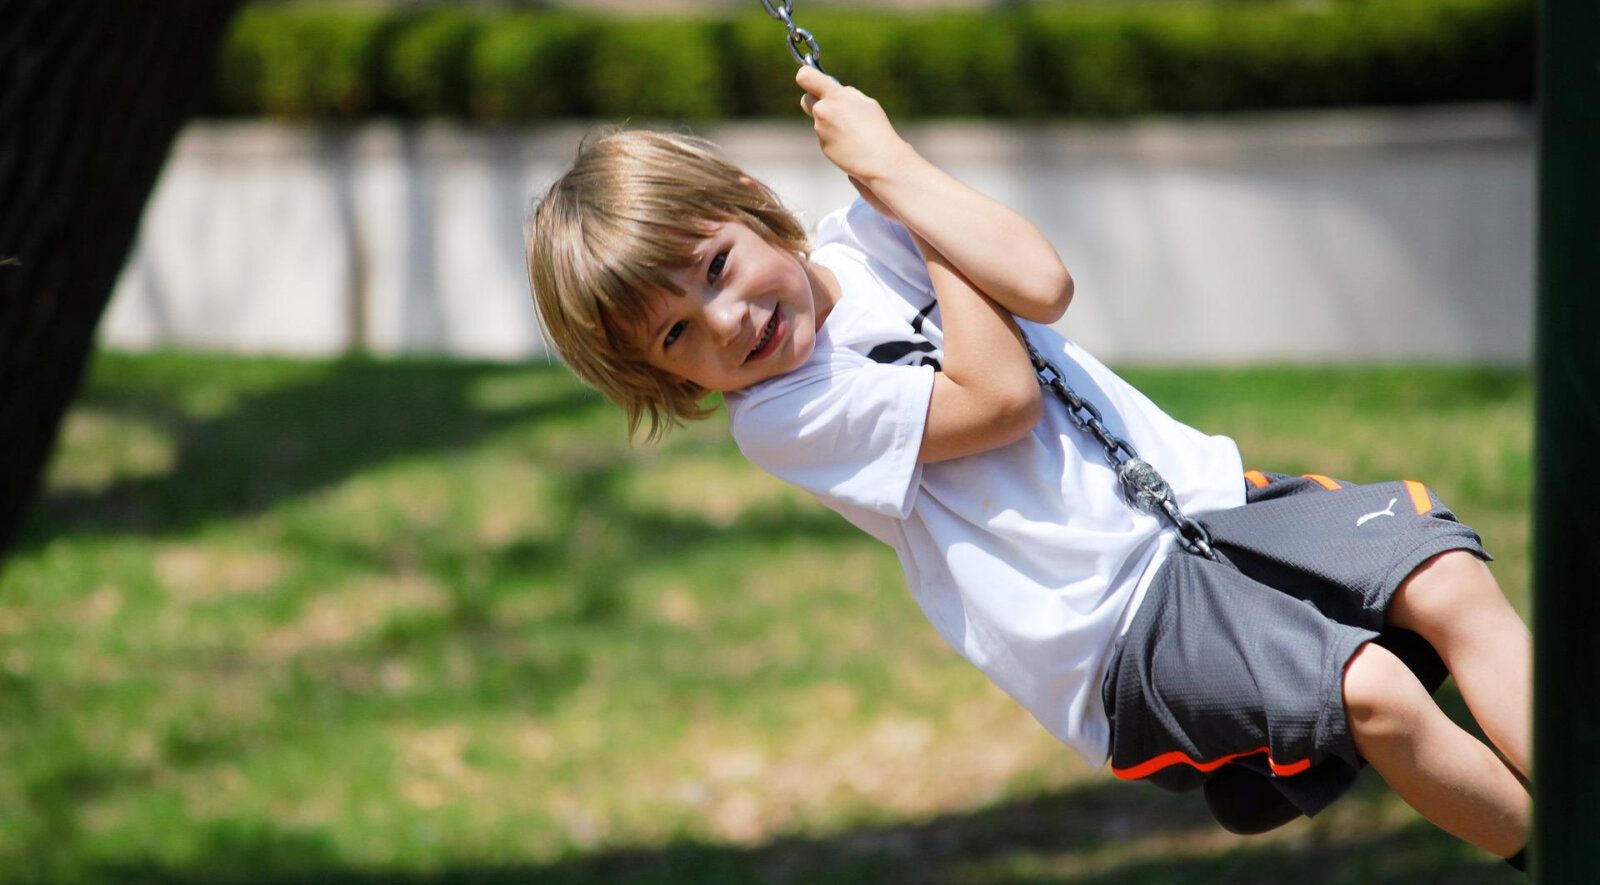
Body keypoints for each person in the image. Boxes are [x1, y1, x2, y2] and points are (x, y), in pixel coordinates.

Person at [524, 65, 1532, 869]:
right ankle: (1553, 851)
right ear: (663, 377)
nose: (728, 321)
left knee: (1444, 578)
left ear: (749, 202)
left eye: (716, 268)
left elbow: (1042, 282)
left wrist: (891, 168)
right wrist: (915, 209)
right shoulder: (783, 414)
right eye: (677, 335)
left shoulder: (872, 227)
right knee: (1373, 694)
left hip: (1211, 509)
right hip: (1113, 628)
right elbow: (997, 401)